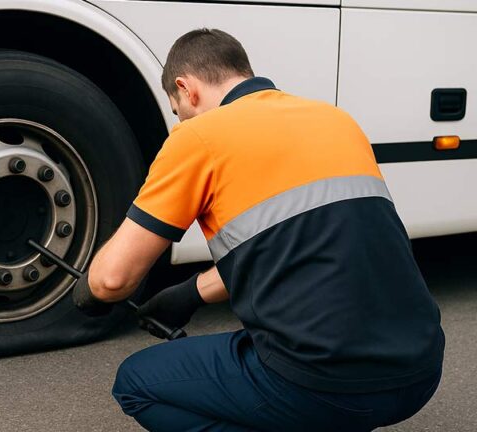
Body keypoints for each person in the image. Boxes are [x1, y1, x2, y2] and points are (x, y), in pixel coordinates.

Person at [71, 29, 445, 432]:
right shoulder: (335, 120)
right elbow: (297, 242)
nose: (181, 120)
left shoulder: (198, 137)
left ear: (186, 89)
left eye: (178, 110)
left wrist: (87, 295)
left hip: (323, 384)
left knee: (136, 384)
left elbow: (112, 280)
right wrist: (190, 293)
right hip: (419, 370)